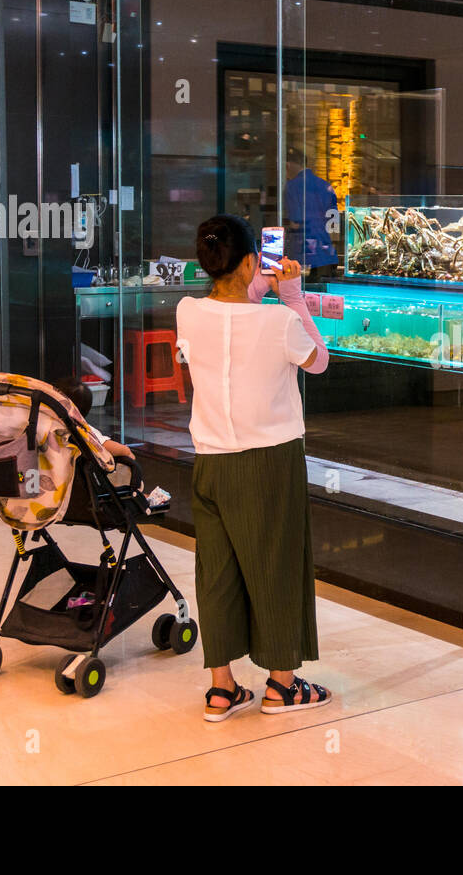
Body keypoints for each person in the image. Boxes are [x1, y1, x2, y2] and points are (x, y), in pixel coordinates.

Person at [175, 213, 333, 722]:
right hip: (269, 461)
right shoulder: (279, 321)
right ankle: (282, 686)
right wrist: (291, 295)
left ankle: (221, 690)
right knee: (278, 567)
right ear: (249, 262)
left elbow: (230, 316)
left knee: (216, 571)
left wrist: (262, 285)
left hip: (211, 461)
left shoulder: (187, 311)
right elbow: (318, 362)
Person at [283, 146, 340, 277]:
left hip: (304, 255)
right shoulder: (326, 186)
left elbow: (295, 223)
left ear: (288, 165)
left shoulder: (292, 186)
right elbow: (334, 227)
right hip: (327, 255)